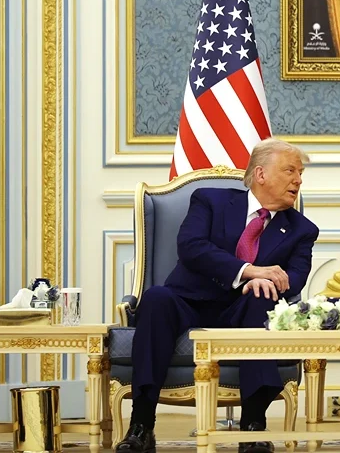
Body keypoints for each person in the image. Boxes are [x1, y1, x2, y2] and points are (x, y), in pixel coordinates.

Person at [116, 139, 320, 453]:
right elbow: (192, 247)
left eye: (300, 173)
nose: (298, 180)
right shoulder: (211, 200)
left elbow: (293, 278)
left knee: (263, 297)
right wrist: (249, 271)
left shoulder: (301, 229)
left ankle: (253, 428)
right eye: (290, 170)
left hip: (244, 309)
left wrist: (266, 282)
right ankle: (141, 425)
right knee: (156, 298)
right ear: (262, 174)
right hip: (189, 301)